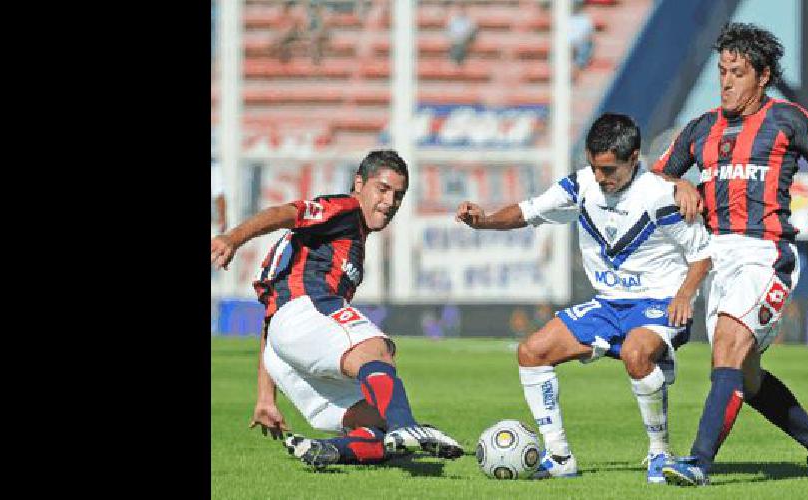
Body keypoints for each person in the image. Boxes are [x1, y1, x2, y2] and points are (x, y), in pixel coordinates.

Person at [650, 22, 808, 486]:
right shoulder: (701, 127)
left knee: (729, 346)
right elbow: (651, 181)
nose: (726, 81)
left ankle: (697, 464)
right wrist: (681, 182)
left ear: (763, 76)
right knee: (743, 377)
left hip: (765, 253)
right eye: (722, 70)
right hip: (717, 258)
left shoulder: (786, 119)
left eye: (737, 72)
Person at [456, 113, 713, 483]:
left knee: (635, 354)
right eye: (595, 168)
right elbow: (529, 211)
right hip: (609, 304)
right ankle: (559, 456)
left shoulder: (662, 196)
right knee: (531, 353)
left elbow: (701, 255)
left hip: (659, 302)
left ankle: (660, 454)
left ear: (634, 158)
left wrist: (686, 296)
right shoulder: (581, 186)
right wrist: (485, 221)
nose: (601, 178)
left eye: (609, 170)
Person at [211, 150, 465, 471]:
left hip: (282, 348)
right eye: (382, 189)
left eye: (398, 195)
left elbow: (273, 317)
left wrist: (265, 397)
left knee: (379, 426)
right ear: (359, 184)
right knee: (377, 350)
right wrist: (234, 238)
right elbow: (285, 212)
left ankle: (330, 449)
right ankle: (406, 426)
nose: (390, 202)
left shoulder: (341, 244)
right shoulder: (345, 210)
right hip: (303, 316)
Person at [569, 1, 594, 71]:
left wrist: (576, 44)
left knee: (586, 44)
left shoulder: (585, 19)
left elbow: (588, 35)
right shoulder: (564, 17)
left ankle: (579, 65)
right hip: (568, 45)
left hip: (579, 45)